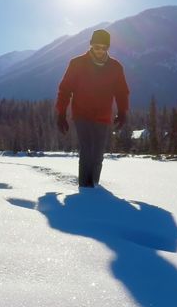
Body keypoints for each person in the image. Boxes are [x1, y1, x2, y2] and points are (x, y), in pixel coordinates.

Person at [55, 29, 130, 188]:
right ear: (91, 45)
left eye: (104, 47)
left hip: (103, 115)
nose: (100, 51)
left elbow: (122, 91)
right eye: (97, 47)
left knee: (98, 154)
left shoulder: (115, 67)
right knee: (87, 149)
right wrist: (61, 113)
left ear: (107, 48)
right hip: (81, 113)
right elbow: (65, 89)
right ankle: (85, 187)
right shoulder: (77, 63)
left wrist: (122, 112)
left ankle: (94, 184)